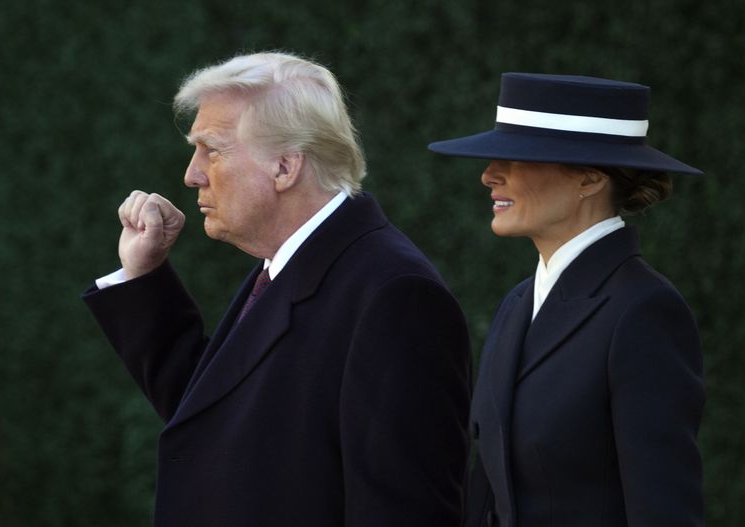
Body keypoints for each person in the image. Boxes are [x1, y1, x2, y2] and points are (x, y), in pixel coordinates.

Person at [82, 52, 471, 527]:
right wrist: (145, 277)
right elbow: (216, 414)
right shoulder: (290, 264)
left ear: (285, 167)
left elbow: (404, 511)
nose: (192, 174)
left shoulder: (395, 295)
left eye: (213, 149)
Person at [428, 73, 705, 526]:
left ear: (590, 179)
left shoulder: (644, 311)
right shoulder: (518, 303)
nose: (488, 175)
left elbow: (664, 510)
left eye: (516, 159)